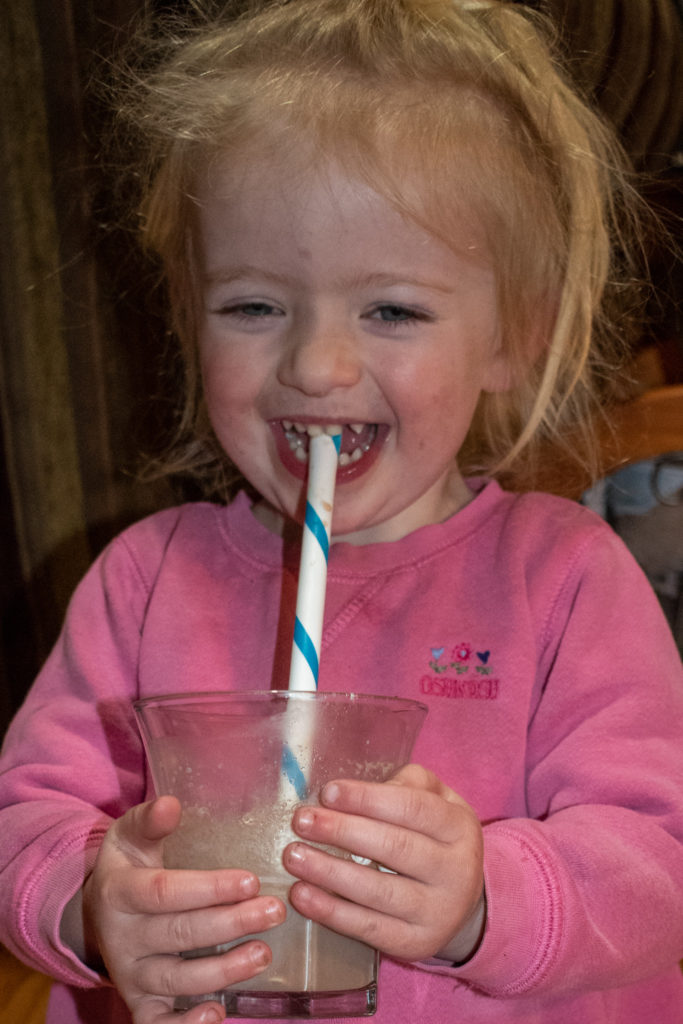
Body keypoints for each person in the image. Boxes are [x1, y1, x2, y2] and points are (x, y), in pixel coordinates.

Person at [1, 1, 682, 1022]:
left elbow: (658, 857)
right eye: (252, 306)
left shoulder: (567, 581)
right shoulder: (144, 584)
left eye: (392, 310)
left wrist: (485, 898)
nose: (315, 365)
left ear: (514, 336)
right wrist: (90, 900)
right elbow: (25, 818)